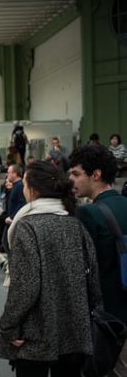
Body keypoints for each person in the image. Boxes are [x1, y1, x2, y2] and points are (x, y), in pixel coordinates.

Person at [0, 161, 101, 376]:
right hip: (75, 331)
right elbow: (93, 279)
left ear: (33, 189)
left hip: (35, 334)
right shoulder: (74, 223)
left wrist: (8, 327)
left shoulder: (28, 226)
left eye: (23, 184)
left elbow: (25, 287)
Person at [69, 144, 127, 376]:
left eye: (76, 173)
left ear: (96, 174)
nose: (71, 180)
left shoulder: (89, 213)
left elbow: (81, 270)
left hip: (108, 321)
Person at [3, 164, 26, 252]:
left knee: (7, 243)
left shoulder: (20, 186)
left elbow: (22, 203)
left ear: (15, 174)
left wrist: (12, 217)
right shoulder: (15, 185)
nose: (7, 175)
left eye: (9, 173)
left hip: (13, 220)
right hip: (11, 219)